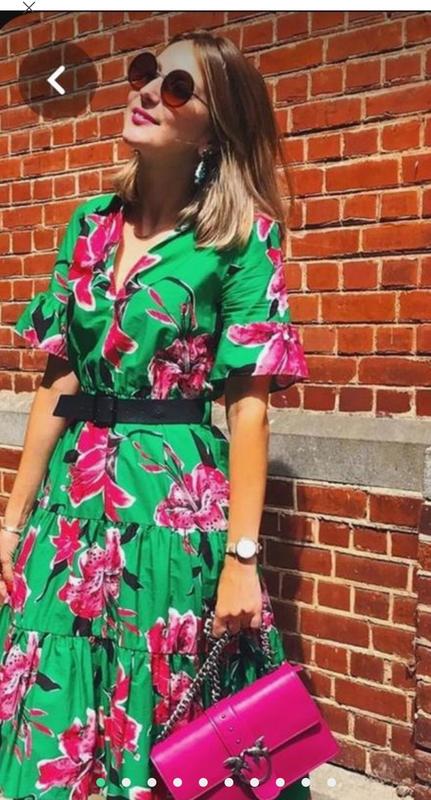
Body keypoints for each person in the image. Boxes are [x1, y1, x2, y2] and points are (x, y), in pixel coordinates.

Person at [0, 29, 311, 800]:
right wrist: (10, 521)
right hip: (71, 508)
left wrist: (242, 560)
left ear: (213, 130)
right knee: (52, 697)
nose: (146, 91)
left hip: (172, 508)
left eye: (176, 87)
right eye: (145, 73)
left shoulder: (241, 238)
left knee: (163, 707)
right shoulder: (88, 225)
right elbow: (57, 380)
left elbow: (247, 410)